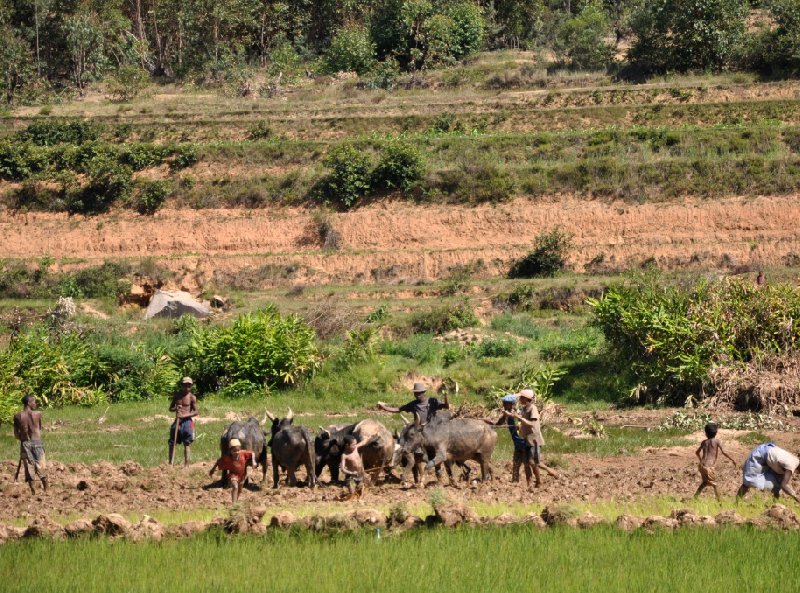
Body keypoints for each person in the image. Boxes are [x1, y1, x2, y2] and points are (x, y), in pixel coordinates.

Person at [509, 389, 558, 490]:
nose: (519, 399)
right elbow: (522, 420)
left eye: (521, 398)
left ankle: (539, 482)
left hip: (534, 440)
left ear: (526, 399)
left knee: (533, 462)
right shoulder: (525, 408)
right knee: (527, 463)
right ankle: (529, 484)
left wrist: (520, 418)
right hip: (527, 439)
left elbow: (532, 423)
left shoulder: (533, 409)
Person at [484, 394, 525, 482]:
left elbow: (522, 423)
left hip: (524, 441)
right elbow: (498, 423)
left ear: (511, 404)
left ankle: (549, 472)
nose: (503, 404)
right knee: (516, 464)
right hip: (517, 442)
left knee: (531, 462)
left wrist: (514, 421)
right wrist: (489, 423)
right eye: (504, 403)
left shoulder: (517, 412)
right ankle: (515, 483)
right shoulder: (506, 413)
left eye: (505, 403)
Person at [13, 395, 48, 494]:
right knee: (41, 466)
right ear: (28, 403)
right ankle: (46, 489)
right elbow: (39, 429)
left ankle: (33, 492)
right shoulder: (38, 414)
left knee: (29, 468)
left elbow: (16, 435)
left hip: (25, 444)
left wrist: (23, 438)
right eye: (34, 402)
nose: (35, 404)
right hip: (37, 443)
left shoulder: (17, 416)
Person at [693, 423, 737, 501]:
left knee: (705, 482)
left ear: (705, 433)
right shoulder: (717, 441)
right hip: (709, 466)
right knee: (715, 484)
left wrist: (701, 460)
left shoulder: (704, 442)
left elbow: (697, 452)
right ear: (716, 433)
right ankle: (719, 502)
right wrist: (732, 460)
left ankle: (695, 497)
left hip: (701, 465)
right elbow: (724, 452)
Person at [376, 382, 449, 423]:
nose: (417, 395)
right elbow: (398, 409)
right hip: (419, 429)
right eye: (415, 393)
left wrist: (446, 397)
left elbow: (446, 406)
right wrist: (384, 407)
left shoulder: (432, 401)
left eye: (419, 393)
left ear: (424, 392)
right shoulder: (413, 404)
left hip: (432, 428)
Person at [209, 439, 254, 503]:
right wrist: (212, 470)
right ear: (230, 451)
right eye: (234, 451)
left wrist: (254, 462)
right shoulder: (227, 458)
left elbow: (253, 453)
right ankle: (234, 504)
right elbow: (218, 461)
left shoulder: (243, 453)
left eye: (238, 450)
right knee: (235, 487)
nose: (236, 452)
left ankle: (236, 502)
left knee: (239, 490)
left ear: (240, 449)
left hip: (242, 476)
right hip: (233, 475)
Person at [168, 377, 198, 466]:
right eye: (185, 385)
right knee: (172, 442)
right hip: (177, 421)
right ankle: (170, 463)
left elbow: (196, 412)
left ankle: (186, 464)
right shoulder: (177, 395)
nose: (187, 387)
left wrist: (184, 415)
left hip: (187, 422)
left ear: (191, 386)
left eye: (189, 385)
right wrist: (175, 408)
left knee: (186, 442)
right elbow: (170, 408)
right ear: (182, 385)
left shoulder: (192, 397)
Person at [339, 435, 371, 500]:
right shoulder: (344, 455)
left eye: (356, 444)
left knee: (360, 493)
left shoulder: (356, 448)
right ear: (347, 445)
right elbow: (343, 469)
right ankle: (344, 498)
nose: (355, 446)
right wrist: (351, 473)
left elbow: (364, 442)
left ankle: (347, 496)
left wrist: (369, 437)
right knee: (352, 494)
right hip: (351, 477)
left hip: (360, 475)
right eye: (353, 444)